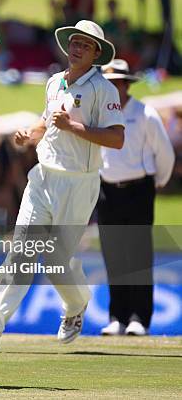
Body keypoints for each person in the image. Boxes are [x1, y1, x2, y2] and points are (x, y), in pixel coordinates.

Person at [0, 20, 124, 352]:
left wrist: (73, 126)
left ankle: (75, 304)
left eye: (85, 44)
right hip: (43, 178)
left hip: (79, 183)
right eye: (74, 42)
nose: (77, 48)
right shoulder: (55, 82)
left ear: (97, 53)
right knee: (21, 253)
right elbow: (47, 120)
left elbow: (116, 138)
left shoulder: (104, 90)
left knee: (58, 261)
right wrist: (31, 134)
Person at [98, 59, 174, 336]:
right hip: (107, 190)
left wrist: (156, 181)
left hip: (139, 189)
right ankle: (117, 317)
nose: (111, 89)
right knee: (114, 254)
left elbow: (165, 154)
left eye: (116, 83)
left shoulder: (145, 114)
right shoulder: (100, 115)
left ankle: (139, 318)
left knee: (139, 256)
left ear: (126, 84)